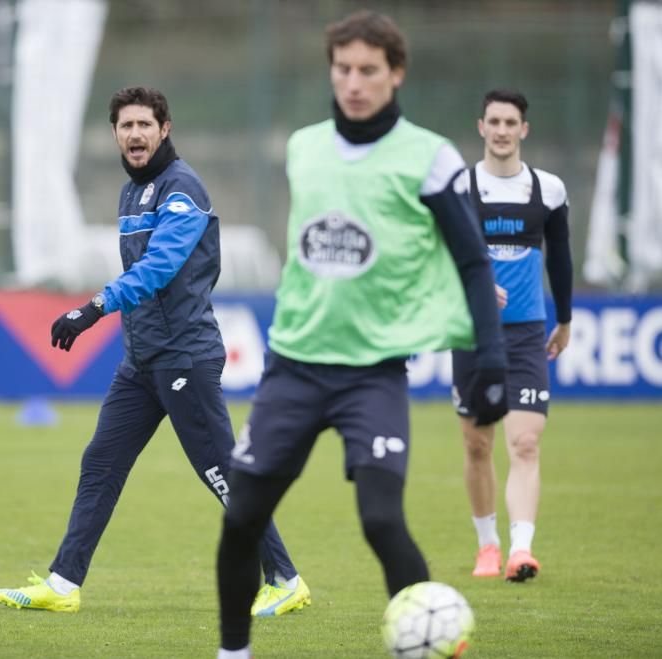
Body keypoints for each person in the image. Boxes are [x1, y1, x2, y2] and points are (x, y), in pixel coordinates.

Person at [215, 11, 510, 658]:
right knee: (240, 519)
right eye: (343, 68)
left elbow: (470, 260)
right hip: (292, 366)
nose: (353, 82)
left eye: (368, 70)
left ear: (396, 74)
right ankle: (232, 652)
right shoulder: (302, 145)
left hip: (372, 372)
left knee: (381, 519)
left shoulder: (429, 156)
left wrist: (490, 358)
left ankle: (428, 643)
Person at [0, 86, 310, 616]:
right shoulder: (131, 191)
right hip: (141, 362)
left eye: (144, 125)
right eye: (125, 126)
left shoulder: (181, 188)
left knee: (220, 473)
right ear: (115, 134)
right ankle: (63, 584)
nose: (134, 134)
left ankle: (285, 578)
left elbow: (159, 268)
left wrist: (92, 308)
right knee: (100, 463)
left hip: (184, 356)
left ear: (164, 130)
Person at [453, 89, 571, 583]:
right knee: (478, 445)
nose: (502, 130)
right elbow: (437, 255)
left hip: (526, 335)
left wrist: (564, 319)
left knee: (524, 442)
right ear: (481, 126)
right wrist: (476, 287)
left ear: (524, 130)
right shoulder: (458, 188)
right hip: (472, 331)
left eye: (511, 122)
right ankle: (488, 545)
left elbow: (561, 257)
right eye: (494, 121)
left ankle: (522, 550)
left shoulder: (550, 190)